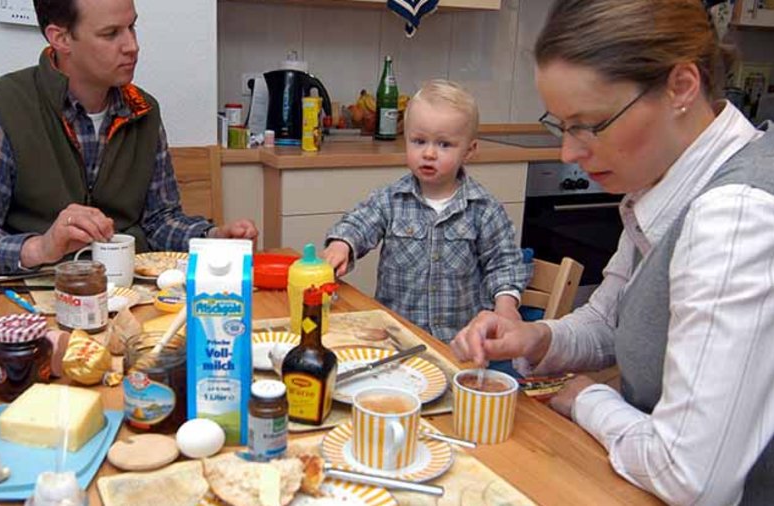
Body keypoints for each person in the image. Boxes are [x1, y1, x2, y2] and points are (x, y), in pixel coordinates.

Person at [451, 1, 774, 504]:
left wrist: (590, 400)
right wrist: (533, 337)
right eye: (562, 126)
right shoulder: (664, 182)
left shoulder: (732, 216)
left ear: (682, 87)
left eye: (592, 124)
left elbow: (691, 476)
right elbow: (610, 322)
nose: (568, 153)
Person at [0, 0, 257, 279]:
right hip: (35, 305)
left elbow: (160, 221)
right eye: (111, 33)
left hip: (132, 302)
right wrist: (40, 247)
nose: (132, 46)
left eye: (132, 27)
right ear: (60, 38)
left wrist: (211, 238)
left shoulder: (143, 110)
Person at [323, 80, 530, 344]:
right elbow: (359, 223)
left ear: (469, 151)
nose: (429, 153)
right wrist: (342, 244)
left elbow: (504, 264)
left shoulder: (484, 209)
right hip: (396, 338)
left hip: (459, 344)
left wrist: (506, 305)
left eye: (444, 144)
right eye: (419, 141)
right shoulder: (391, 199)